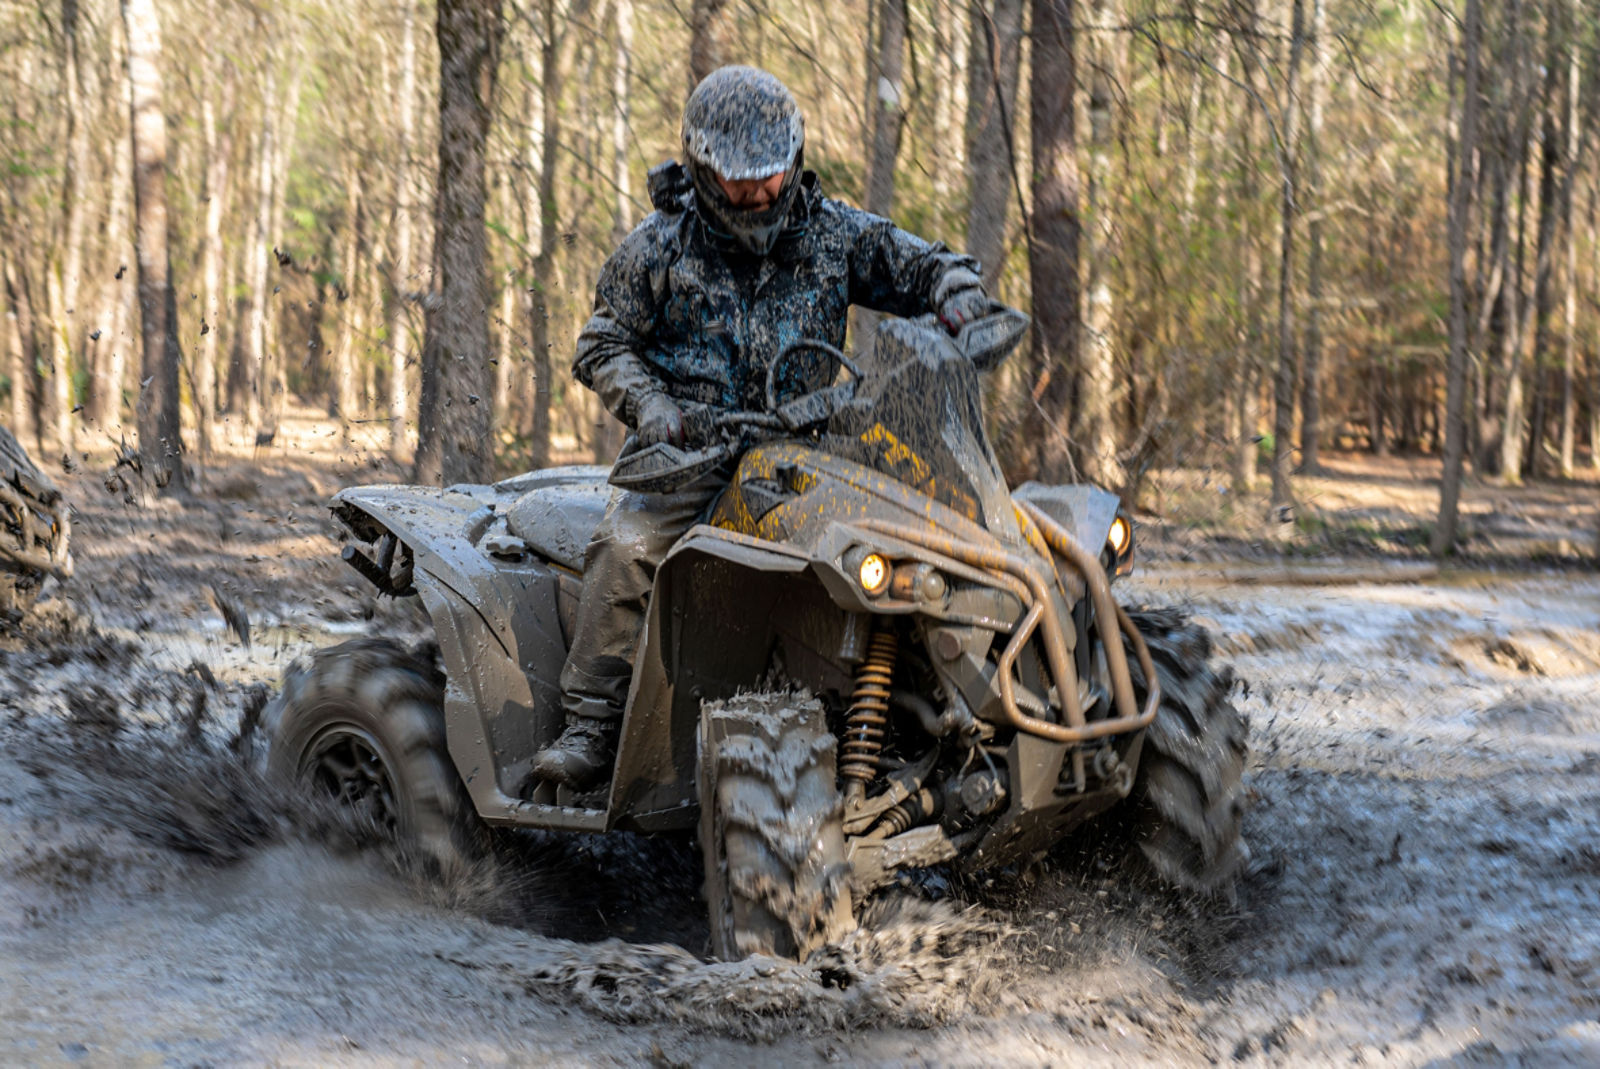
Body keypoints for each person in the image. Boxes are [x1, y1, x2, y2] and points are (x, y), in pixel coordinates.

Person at [531, 65, 993, 790]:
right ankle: (590, 720)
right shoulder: (660, 247)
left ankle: (934, 704)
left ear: (794, 158)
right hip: (692, 458)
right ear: (704, 168)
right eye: (742, 180)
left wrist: (956, 290)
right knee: (624, 546)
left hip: (808, 451)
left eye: (772, 175)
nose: (760, 193)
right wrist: (652, 405)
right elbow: (600, 344)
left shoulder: (834, 234)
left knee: (916, 541)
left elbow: (919, 265)